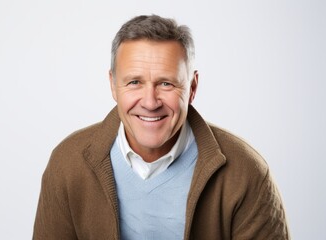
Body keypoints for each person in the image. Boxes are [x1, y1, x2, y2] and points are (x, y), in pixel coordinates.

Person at [33, 15, 290, 239]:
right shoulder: (67, 163)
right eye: (134, 82)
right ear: (113, 85)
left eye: (166, 83)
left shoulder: (246, 172)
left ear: (192, 87)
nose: (149, 102)